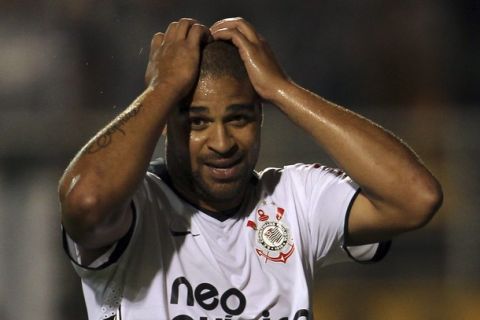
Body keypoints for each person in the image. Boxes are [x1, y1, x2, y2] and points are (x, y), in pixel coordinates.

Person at [58, 17, 443, 320]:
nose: (222, 143)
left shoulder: (296, 200)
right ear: (164, 122)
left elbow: (416, 197)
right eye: (197, 122)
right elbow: (86, 200)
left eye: (238, 118)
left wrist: (282, 89)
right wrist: (163, 88)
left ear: (260, 117)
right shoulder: (137, 209)